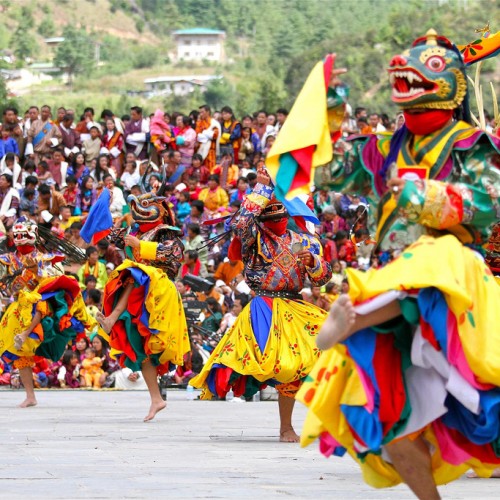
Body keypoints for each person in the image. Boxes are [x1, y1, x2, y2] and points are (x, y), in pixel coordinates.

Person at [297, 30, 500, 498]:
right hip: (394, 285)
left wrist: (426, 197)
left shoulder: (473, 144)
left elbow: (490, 203)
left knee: (435, 256)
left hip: (453, 285)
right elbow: (323, 169)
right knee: (395, 433)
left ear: (452, 83)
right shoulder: (383, 146)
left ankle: (352, 321)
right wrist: (325, 113)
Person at [191, 168, 332, 442]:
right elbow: (238, 225)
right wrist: (260, 188)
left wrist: (314, 264)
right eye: (269, 205)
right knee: (282, 364)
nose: (275, 211)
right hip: (264, 306)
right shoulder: (254, 237)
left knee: (323, 354)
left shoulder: (306, 240)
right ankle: (286, 428)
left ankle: (311, 423)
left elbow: (322, 279)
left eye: (278, 205)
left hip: (296, 307)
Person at [95, 173, 190, 421]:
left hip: (159, 289)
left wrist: (140, 246)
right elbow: (110, 235)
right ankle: (156, 399)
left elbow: (174, 255)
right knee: (141, 346)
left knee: (133, 271)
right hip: (138, 292)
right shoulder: (133, 230)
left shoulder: (167, 233)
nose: (140, 211)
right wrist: (103, 205)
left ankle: (112, 318)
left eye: (147, 207)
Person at [0, 217, 98, 406]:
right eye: (17, 234)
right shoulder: (9, 260)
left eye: (24, 234)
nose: (20, 237)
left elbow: (52, 283)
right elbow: (6, 288)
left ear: (33, 235)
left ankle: (26, 333)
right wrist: (17, 283)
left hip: (41, 303)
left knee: (40, 303)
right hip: (19, 306)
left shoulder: (44, 258)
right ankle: (30, 396)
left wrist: (35, 274)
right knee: (20, 353)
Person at [195, 104, 220, 173]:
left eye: (202, 112)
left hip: (210, 150)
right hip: (200, 150)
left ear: (208, 112)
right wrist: (207, 134)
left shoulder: (214, 123)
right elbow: (198, 136)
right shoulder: (199, 123)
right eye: (200, 112)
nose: (200, 114)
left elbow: (215, 135)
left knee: (210, 170)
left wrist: (204, 133)